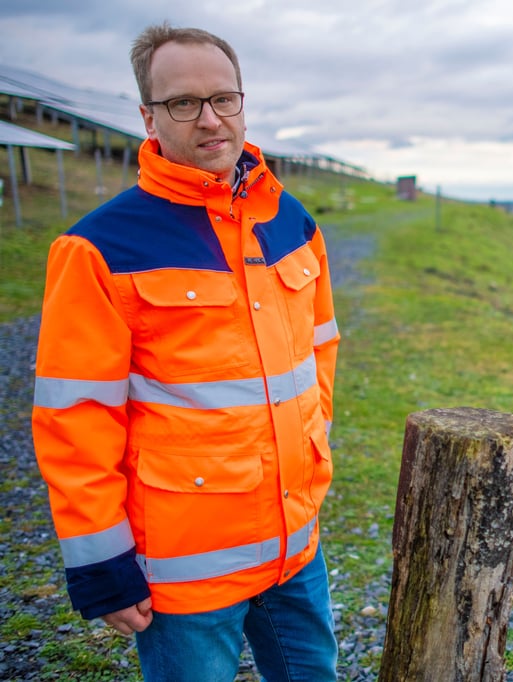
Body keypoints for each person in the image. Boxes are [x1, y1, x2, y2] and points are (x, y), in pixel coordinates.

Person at [32, 22, 340, 681]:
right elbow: (75, 416)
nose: (210, 119)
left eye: (223, 98)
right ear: (148, 116)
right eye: (183, 103)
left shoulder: (292, 221)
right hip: (185, 566)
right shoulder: (99, 250)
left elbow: (319, 357)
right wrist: (101, 562)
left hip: (295, 545)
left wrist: (312, 462)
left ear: (242, 101)